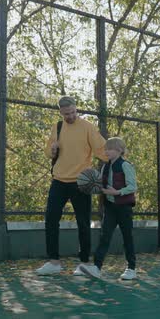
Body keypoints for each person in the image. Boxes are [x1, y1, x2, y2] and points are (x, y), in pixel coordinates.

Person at [35, 96, 108, 276]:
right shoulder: (57, 127)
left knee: (83, 223)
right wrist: (51, 150)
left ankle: (84, 263)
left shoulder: (88, 127)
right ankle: (54, 262)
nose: (71, 116)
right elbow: (48, 151)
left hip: (81, 183)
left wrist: (118, 160)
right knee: (51, 220)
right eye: (67, 114)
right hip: (58, 180)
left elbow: (101, 149)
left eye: (73, 112)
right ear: (61, 112)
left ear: (76, 109)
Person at [78, 137, 138, 280]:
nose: (106, 151)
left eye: (109, 149)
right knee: (105, 237)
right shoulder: (105, 166)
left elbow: (133, 187)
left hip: (124, 207)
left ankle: (131, 268)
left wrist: (117, 192)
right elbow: (101, 184)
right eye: (105, 149)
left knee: (127, 237)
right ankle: (97, 268)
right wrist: (90, 185)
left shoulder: (125, 165)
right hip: (110, 207)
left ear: (119, 150)